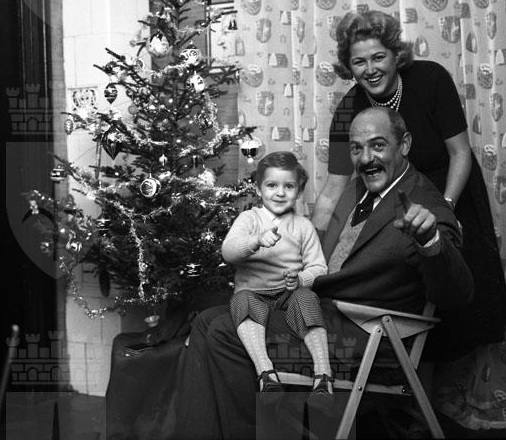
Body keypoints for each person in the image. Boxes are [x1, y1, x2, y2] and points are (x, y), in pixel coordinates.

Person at [175, 108, 474, 440]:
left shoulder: (425, 203)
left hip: (367, 337)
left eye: (378, 145)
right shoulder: (358, 189)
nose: (366, 158)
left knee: (223, 332)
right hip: (322, 311)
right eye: (357, 148)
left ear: (404, 144)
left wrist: (429, 239)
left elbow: (458, 294)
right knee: (205, 321)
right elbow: (324, 258)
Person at [311, 10, 506, 358]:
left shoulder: (431, 78)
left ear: (395, 55)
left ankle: (466, 383)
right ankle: (413, 378)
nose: (370, 69)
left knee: (461, 293)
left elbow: (460, 152)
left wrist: (446, 208)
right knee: (410, 295)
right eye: (359, 62)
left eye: (378, 57)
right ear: (348, 66)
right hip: (394, 203)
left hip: (449, 190)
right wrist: (308, 246)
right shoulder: (347, 111)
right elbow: (334, 187)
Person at [222, 151, 332, 411]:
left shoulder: (303, 226)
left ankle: (323, 375)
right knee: (242, 300)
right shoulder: (249, 219)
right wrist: (255, 240)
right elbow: (228, 252)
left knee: (307, 298)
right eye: (272, 185)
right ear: (259, 189)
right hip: (255, 294)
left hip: (288, 294)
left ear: (299, 191)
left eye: (289, 186)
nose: (280, 193)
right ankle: (266, 374)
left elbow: (319, 267)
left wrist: (301, 278)